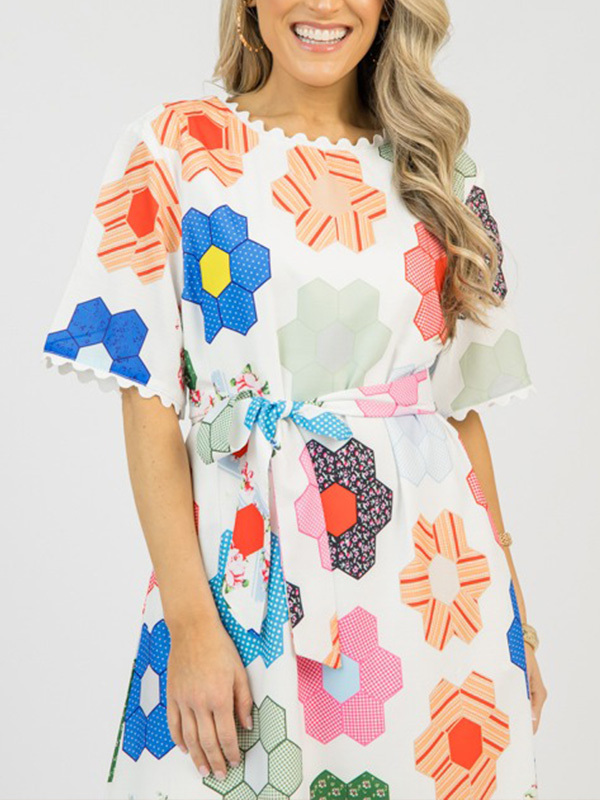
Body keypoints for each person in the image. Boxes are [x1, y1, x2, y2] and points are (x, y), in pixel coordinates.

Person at [40, 0, 547, 797]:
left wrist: (517, 615)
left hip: (435, 591)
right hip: (244, 577)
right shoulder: (174, 148)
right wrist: (191, 624)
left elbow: (460, 410)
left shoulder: (440, 170)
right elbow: (147, 403)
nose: (323, 5)